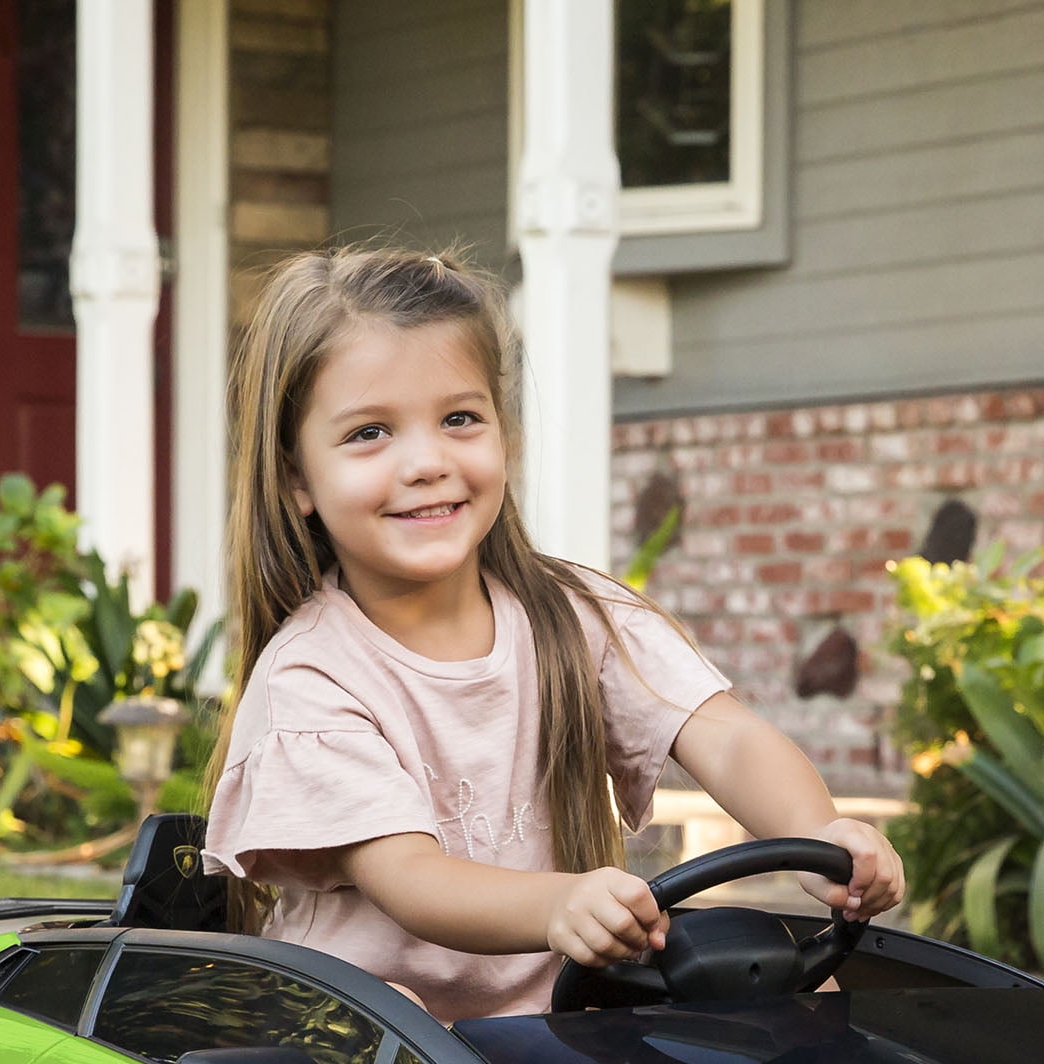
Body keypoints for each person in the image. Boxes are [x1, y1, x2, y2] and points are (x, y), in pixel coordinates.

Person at [203, 245, 903, 1022]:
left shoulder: (574, 617)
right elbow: (410, 878)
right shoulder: (313, 677)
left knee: (801, 994)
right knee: (387, 1018)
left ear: (506, 438)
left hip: (559, 1027)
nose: (427, 462)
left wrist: (822, 835)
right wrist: (560, 904)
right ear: (297, 477)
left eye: (460, 419)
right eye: (370, 433)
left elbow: (727, 737)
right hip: (386, 1040)